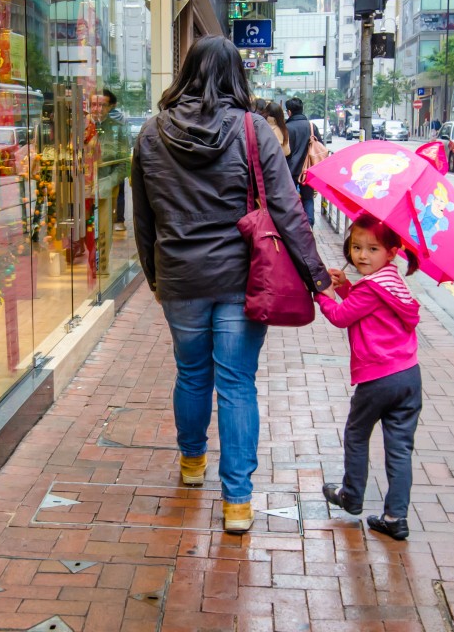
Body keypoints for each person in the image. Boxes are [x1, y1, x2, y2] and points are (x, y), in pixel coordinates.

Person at [131, 35, 330, 534]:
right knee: (237, 383)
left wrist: (157, 277)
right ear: (236, 75)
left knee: (192, 375)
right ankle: (238, 503)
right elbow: (287, 211)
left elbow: (143, 218)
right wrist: (318, 279)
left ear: (187, 73)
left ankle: (192, 464)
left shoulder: (151, 134)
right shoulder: (253, 131)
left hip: (180, 276)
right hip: (243, 277)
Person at [315, 212, 422, 542]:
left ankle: (351, 495)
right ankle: (395, 517)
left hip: (378, 379)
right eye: (357, 247)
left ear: (391, 252)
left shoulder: (372, 288)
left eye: (372, 249)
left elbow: (342, 317)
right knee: (400, 448)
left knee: (357, 433)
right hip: (409, 377)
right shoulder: (391, 282)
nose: (362, 255)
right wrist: (346, 286)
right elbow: (365, 308)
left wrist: (323, 293)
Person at [91, 89, 131, 273]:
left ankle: (102, 266)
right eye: (93, 104)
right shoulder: (79, 126)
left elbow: (124, 163)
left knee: (103, 229)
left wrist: (110, 181)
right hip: (81, 186)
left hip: (106, 186)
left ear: (110, 106)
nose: (97, 109)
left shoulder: (118, 128)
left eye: (102, 105)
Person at [284, 97, 323, 226]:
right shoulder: (312, 126)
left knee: (290, 200)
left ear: (289, 112)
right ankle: (309, 224)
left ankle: (293, 226)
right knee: (308, 199)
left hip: (290, 171)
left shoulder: (286, 128)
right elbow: (320, 146)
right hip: (308, 171)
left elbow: (284, 151)